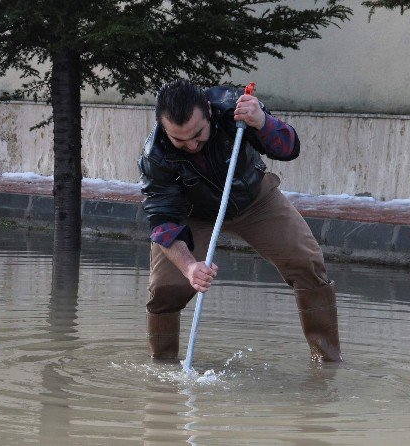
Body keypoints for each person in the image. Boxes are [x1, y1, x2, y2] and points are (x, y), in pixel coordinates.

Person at [137, 79, 342, 363]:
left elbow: (289, 149)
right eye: (180, 141)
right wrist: (189, 267)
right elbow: (161, 220)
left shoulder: (236, 110)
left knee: (306, 262)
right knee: (164, 289)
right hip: (191, 213)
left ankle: (328, 361)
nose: (192, 145)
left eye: (198, 134)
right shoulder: (155, 154)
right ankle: (163, 368)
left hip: (253, 199)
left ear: (208, 110)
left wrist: (263, 122)